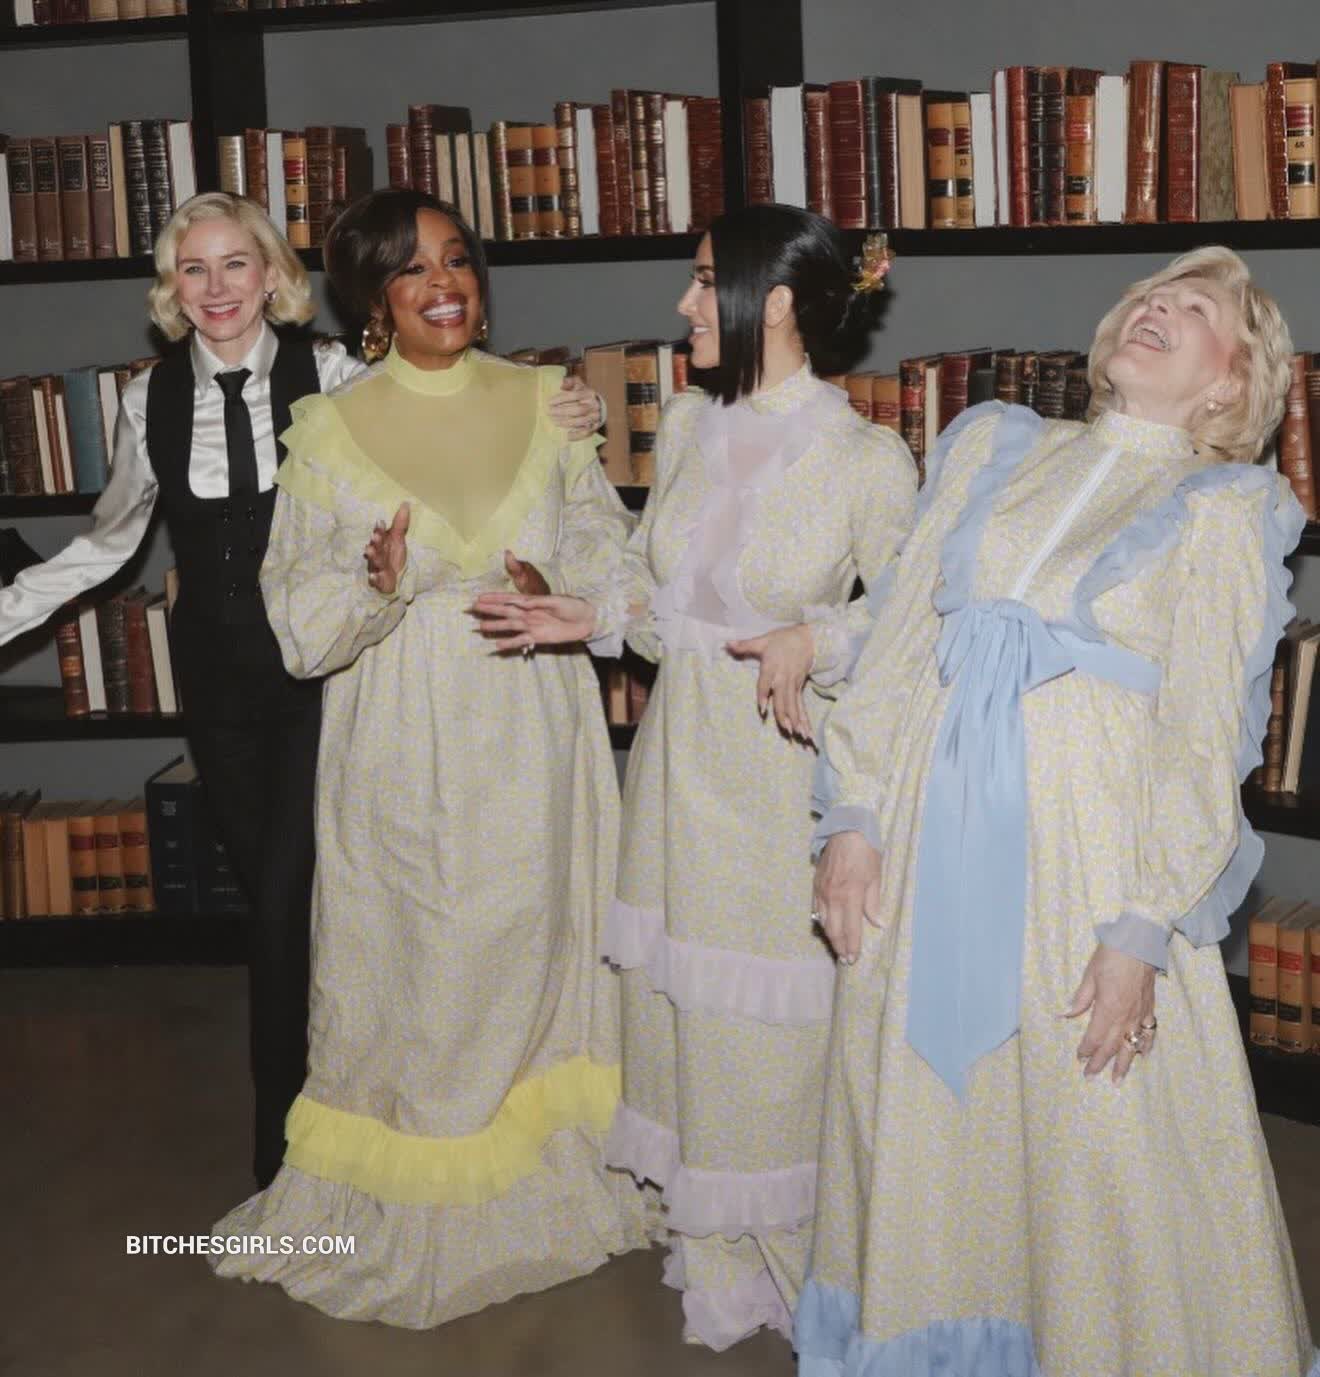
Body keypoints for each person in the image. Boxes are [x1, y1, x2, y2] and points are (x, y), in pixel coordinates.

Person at [0, 192, 601, 1191]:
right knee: (283, 904)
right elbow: (107, 546)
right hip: (220, 683)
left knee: (293, 903)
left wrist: (567, 408)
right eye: (194, 269)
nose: (217, 287)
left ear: (274, 275)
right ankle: (347, 1107)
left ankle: (291, 1156)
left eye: (236, 263)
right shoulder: (147, 401)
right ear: (172, 289)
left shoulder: (332, 376)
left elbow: (445, 392)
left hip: (330, 670)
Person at [801, 246, 1318, 1377]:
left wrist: (1144, 924)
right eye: (1151, 295)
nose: (1156, 306)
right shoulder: (994, 446)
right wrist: (855, 815)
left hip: (1091, 866)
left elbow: (1202, 740)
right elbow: (903, 639)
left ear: (1232, 382)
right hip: (928, 847)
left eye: (1194, 308)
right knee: (926, 1120)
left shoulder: (1225, 511)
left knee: (1100, 1135)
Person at [473, 205, 916, 1349]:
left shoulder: (868, 459)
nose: (683, 303)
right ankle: (721, 1260)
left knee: (771, 1033)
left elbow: (916, 627)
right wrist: (589, 614)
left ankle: (816, 1268)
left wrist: (815, 637)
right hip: (676, 763)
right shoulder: (681, 424)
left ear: (779, 299)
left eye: (707, 279)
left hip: (784, 773)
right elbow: (656, 593)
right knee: (683, 1016)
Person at [208, 189, 644, 1327]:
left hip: (535, 728)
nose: (442, 283)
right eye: (411, 269)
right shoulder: (331, 432)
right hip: (400, 740)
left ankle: (539, 1170)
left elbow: (606, 545)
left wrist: (563, 587)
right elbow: (299, 630)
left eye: (456, 259)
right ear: (374, 300)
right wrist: (376, 583)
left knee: (536, 951)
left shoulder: (550, 403)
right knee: (427, 965)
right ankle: (421, 1188)